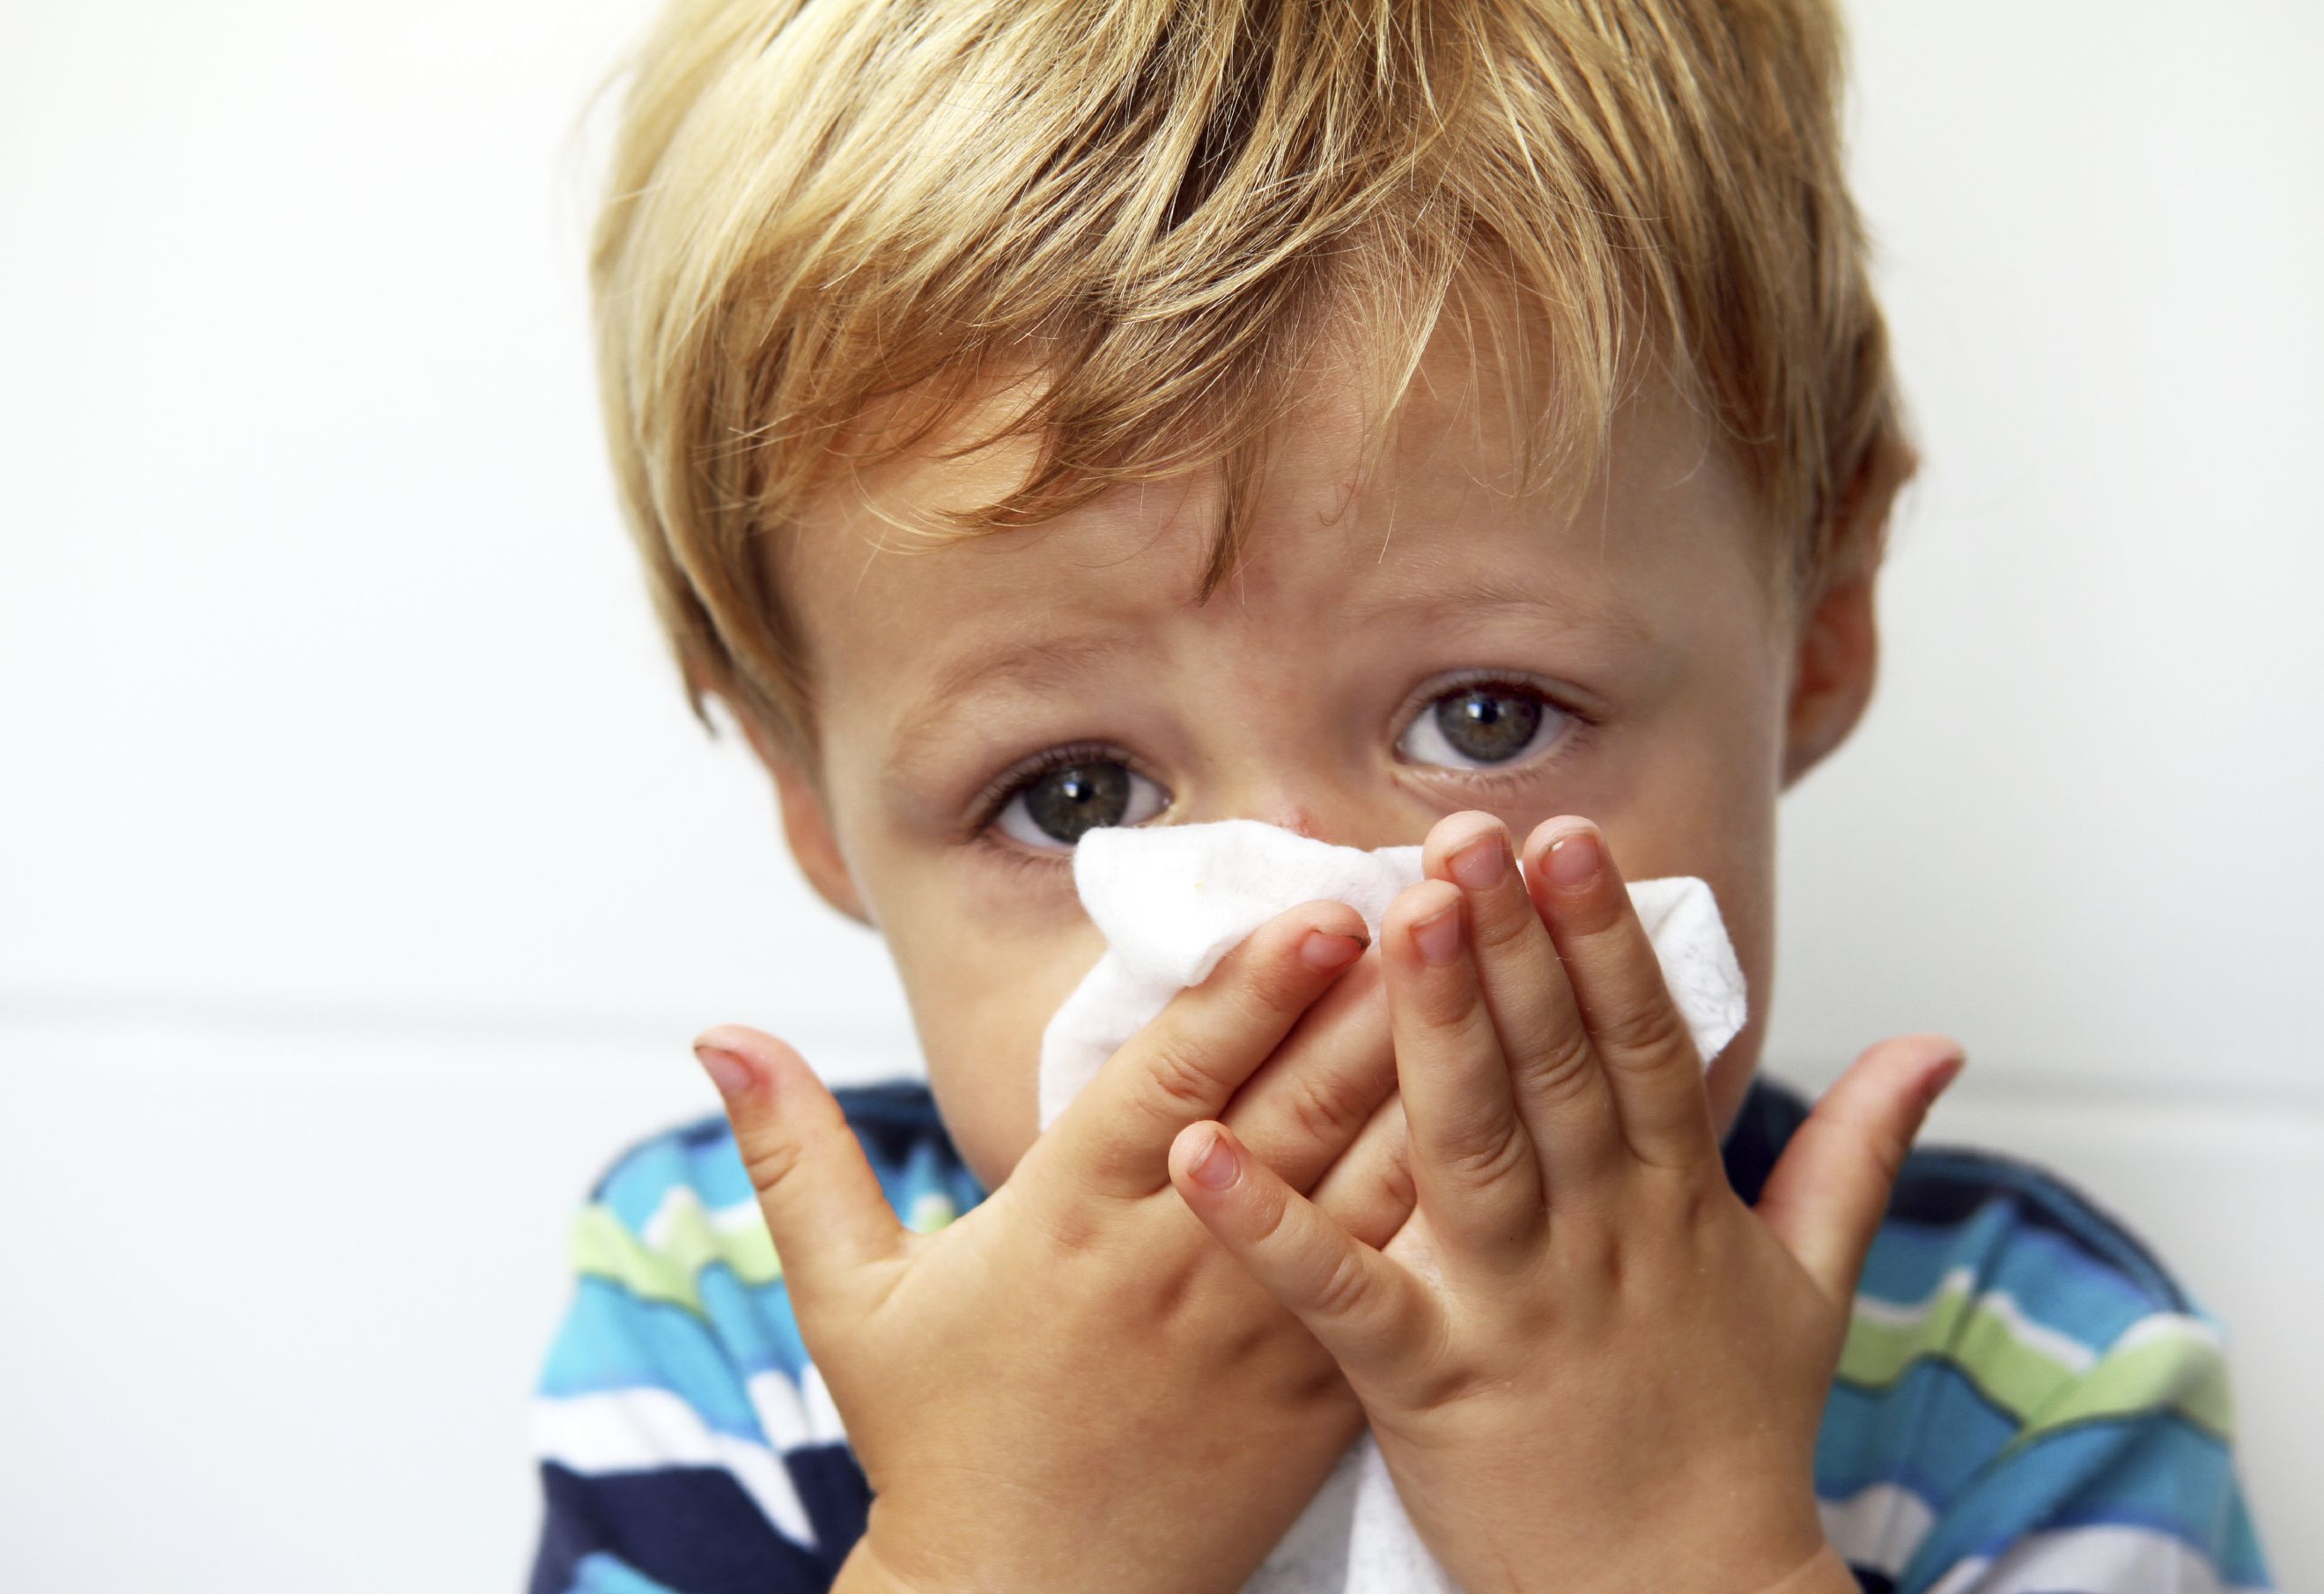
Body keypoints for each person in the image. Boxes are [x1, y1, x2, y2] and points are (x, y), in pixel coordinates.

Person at [528, 2, 2273, 1590]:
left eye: (1487, 714)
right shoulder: (731, 1331)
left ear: (1815, 633)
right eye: (1069, 792)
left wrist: (1677, 1552)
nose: (1297, 927)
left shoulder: (2021, 1381)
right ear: (815, 804)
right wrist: (992, 1551)